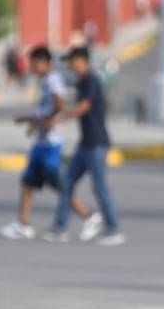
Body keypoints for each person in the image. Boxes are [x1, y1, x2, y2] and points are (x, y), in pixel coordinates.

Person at [0, 46, 101, 242]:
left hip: (49, 144)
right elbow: (47, 110)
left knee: (58, 184)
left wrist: (45, 122)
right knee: (28, 182)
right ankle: (23, 223)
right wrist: (30, 120)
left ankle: (87, 216)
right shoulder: (46, 80)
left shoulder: (53, 80)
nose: (31, 67)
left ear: (43, 62)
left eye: (33, 63)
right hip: (41, 142)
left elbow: (59, 106)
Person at [45, 46, 124, 246]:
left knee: (99, 187)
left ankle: (113, 229)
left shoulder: (91, 80)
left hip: (96, 144)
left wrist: (60, 118)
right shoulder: (82, 82)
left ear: (82, 61)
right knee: (66, 183)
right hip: (85, 144)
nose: (70, 65)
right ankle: (60, 227)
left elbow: (85, 106)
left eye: (72, 61)